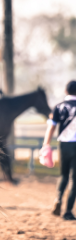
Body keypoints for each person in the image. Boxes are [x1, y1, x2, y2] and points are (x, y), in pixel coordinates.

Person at [42, 81, 76, 221]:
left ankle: (58, 199)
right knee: (74, 179)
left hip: (63, 145)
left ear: (65, 91)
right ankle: (68, 211)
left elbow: (51, 128)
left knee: (63, 175)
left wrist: (46, 144)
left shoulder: (59, 107)